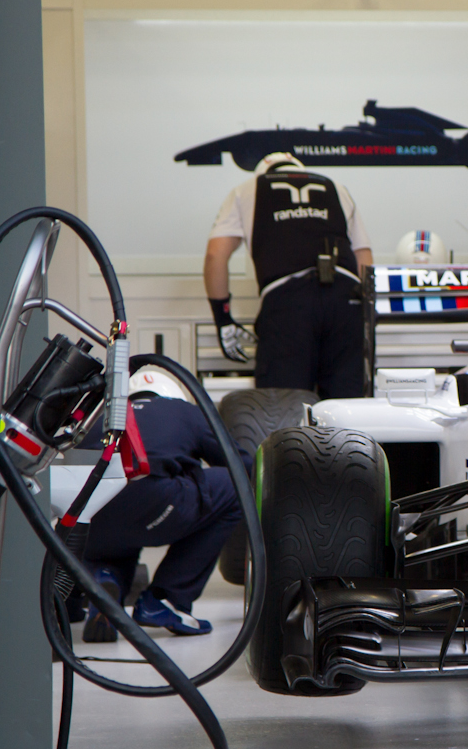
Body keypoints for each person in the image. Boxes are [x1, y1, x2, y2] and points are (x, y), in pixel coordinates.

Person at [81, 369, 252, 640]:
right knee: (233, 487)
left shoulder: (99, 415)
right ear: (172, 394)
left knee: (113, 534)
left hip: (91, 519)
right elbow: (240, 464)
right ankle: (166, 599)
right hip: (155, 503)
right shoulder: (184, 410)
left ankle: (104, 581)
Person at [203, 152, 374, 398]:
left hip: (288, 304)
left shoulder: (247, 189)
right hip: (347, 300)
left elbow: (215, 256)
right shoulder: (337, 188)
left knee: (283, 411)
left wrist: (223, 318)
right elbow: (364, 261)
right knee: (347, 412)